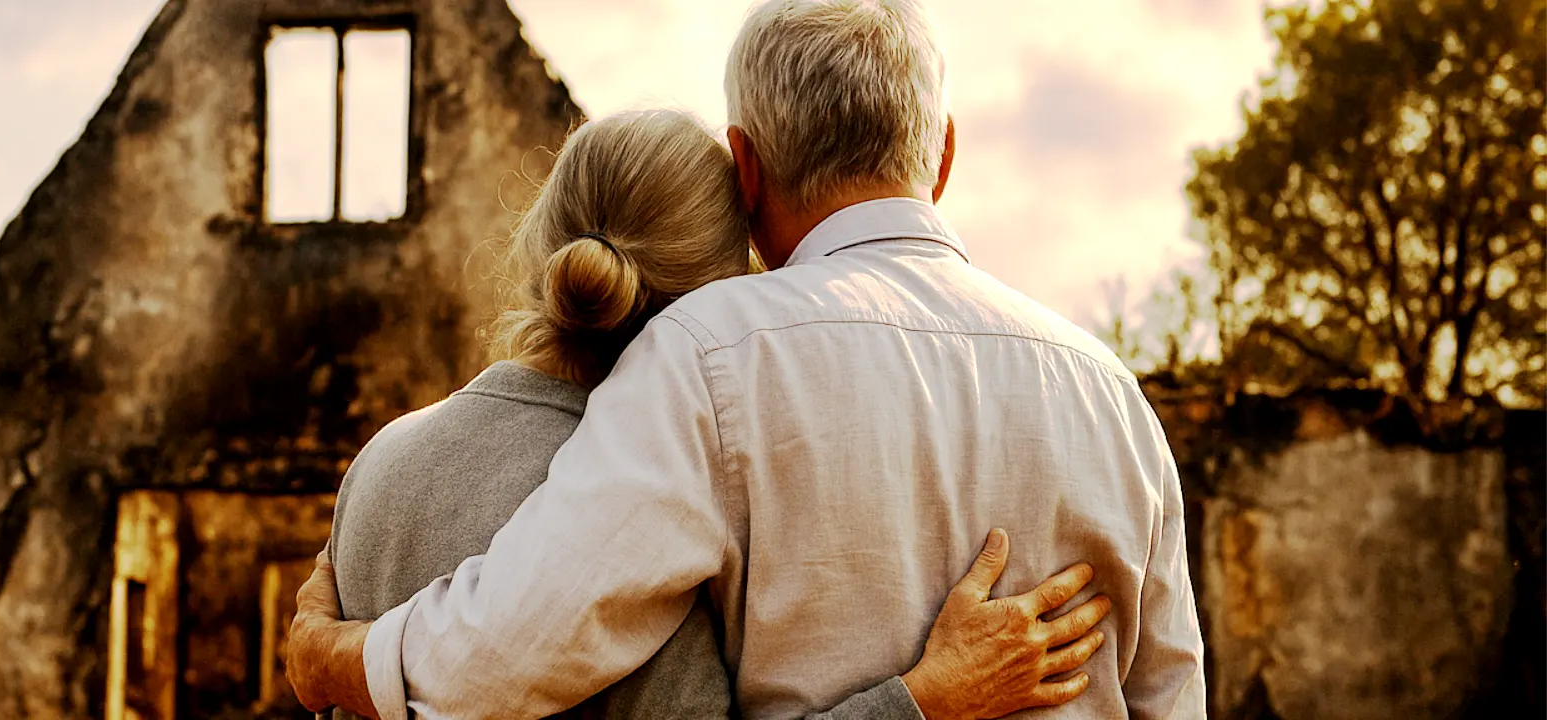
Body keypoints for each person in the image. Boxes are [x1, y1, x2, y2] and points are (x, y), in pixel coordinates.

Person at [295, 0, 1208, 717]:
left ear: (746, 168)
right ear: (945, 157)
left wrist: (336, 660)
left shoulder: (706, 359)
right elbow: (1172, 698)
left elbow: (510, 649)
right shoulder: (1113, 396)